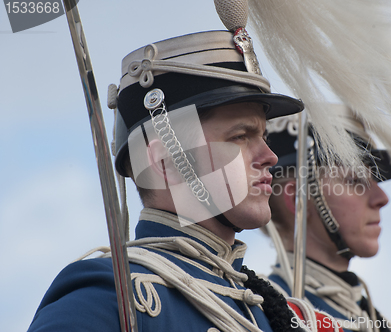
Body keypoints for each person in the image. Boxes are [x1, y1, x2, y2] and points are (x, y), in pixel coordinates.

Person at [26, 27, 330, 332]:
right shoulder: (111, 295)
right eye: (240, 136)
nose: (270, 156)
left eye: (263, 135)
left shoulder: (269, 312)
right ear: (165, 162)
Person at [265, 106, 391, 332]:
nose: (382, 197)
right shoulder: (259, 316)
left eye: (376, 180)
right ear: (298, 198)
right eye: (356, 181)